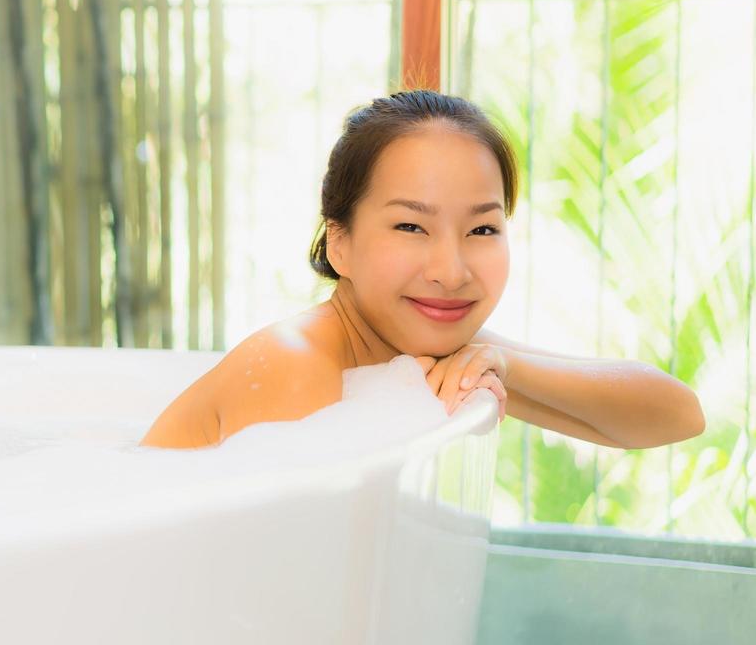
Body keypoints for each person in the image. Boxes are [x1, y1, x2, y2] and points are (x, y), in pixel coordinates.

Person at [141, 90, 705, 450]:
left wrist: (506, 366)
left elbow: (676, 414)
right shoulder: (295, 363)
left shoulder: (419, 344)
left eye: (482, 229)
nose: (451, 270)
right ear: (340, 244)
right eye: (411, 227)